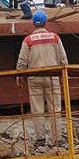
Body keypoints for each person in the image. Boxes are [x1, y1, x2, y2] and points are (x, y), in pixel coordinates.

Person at [16, 10, 68, 148]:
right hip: (53, 76)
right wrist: (63, 73)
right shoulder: (55, 37)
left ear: (33, 24)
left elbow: (22, 61)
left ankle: (40, 139)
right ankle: (58, 139)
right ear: (46, 22)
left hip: (35, 77)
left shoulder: (28, 40)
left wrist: (20, 74)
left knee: (37, 108)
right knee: (55, 108)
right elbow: (63, 58)